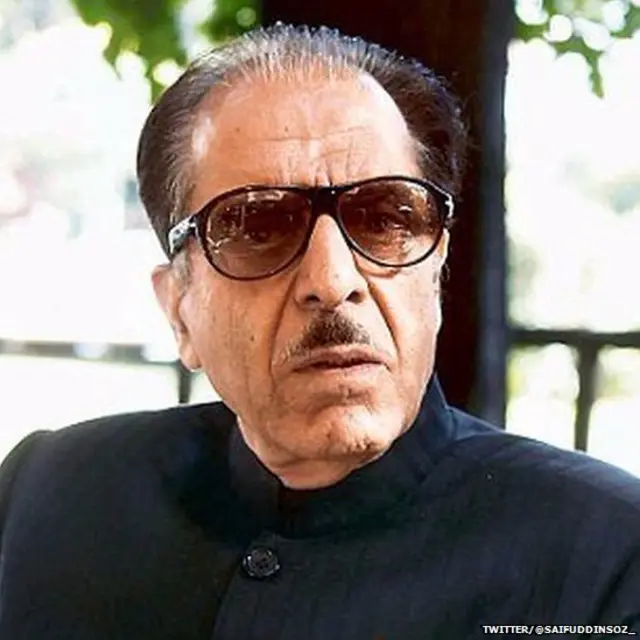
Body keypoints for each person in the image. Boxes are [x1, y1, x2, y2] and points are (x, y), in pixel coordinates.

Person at [1, 23, 639, 640]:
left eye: (384, 218)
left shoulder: (606, 558)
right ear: (179, 309)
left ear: (436, 273)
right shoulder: (48, 494)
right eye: (257, 226)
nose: (333, 280)